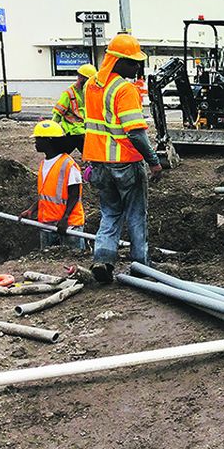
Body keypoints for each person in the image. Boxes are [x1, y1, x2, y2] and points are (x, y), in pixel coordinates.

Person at [83, 33, 162, 283]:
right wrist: (153, 161)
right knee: (136, 215)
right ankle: (141, 266)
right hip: (125, 163)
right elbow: (135, 133)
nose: (137, 67)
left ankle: (103, 260)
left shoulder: (91, 85)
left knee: (110, 213)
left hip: (99, 164)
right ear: (117, 60)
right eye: (132, 62)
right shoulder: (124, 89)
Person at [19, 120, 86, 251]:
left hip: (69, 226)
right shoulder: (44, 163)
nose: (35, 143)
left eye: (38, 139)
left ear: (48, 141)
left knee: (72, 262)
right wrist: (31, 210)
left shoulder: (68, 164)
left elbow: (74, 194)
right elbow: (46, 195)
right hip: (48, 224)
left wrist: (65, 218)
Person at [51, 63, 97, 153]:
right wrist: (52, 130)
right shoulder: (68, 93)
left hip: (85, 129)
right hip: (73, 130)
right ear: (82, 78)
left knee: (62, 153)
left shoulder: (90, 92)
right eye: (90, 80)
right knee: (89, 154)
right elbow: (58, 114)